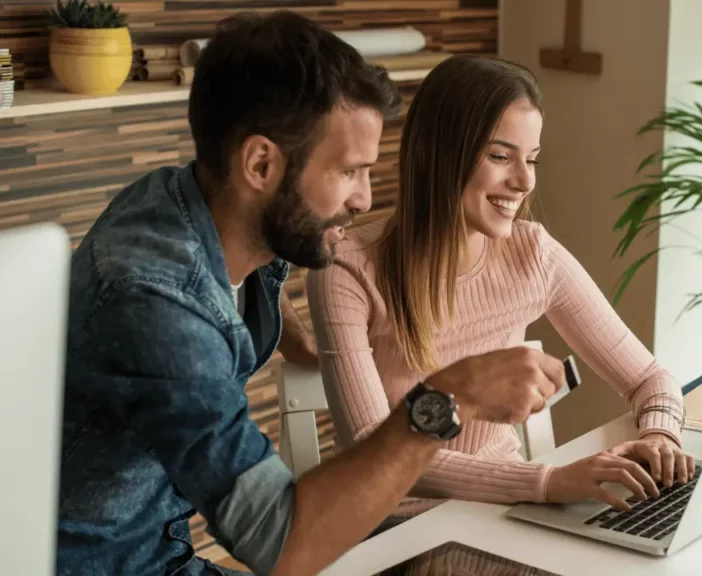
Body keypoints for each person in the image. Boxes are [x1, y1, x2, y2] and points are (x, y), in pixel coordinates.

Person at [56, 13, 564, 576]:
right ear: (261, 164)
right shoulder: (159, 302)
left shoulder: (186, 205)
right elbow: (280, 541)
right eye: (349, 172)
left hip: (156, 551)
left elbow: (230, 287)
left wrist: (290, 333)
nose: (364, 201)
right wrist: (447, 397)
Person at [306, 54, 695, 529]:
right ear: (441, 153)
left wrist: (661, 435)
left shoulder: (532, 254)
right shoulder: (348, 270)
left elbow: (649, 378)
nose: (525, 181)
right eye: (499, 156)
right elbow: (374, 450)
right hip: (394, 531)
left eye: (531, 159)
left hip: (509, 516)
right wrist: (546, 483)